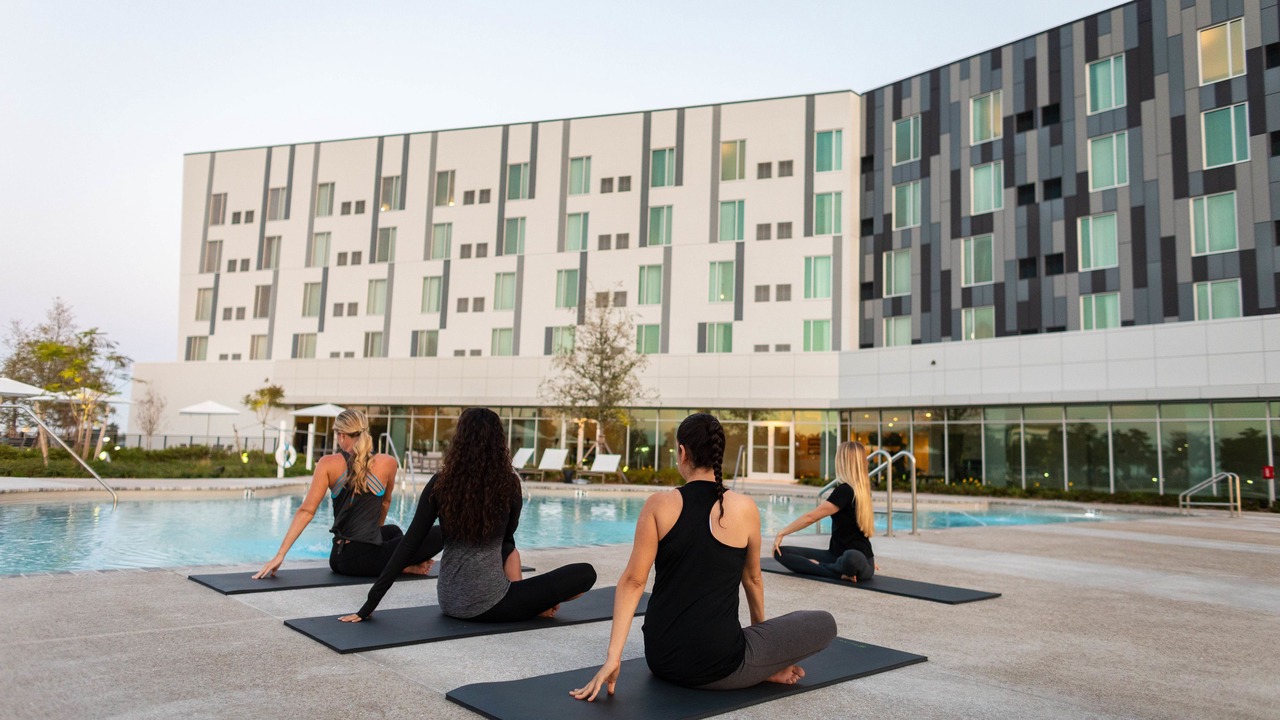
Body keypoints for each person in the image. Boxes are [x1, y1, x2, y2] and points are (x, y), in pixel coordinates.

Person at [571, 413, 836, 702]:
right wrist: (766, 650)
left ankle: (759, 666)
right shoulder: (745, 508)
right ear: (718, 454)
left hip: (661, 658)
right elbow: (753, 578)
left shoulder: (658, 505)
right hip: (718, 667)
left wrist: (613, 657)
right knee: (824, 623)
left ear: (683, 452)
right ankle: (759, 669)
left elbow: (633, 581)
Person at [341, 407, 596, 624]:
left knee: (518, 571)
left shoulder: (440, 483)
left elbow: (409, 544)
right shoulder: (508, 484)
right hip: (492, 603)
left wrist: (369, 605)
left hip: (450, 601)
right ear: (499, 441)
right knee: (585, 573)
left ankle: (527, 602)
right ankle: (532, 606)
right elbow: (508, 541)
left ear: (459, 440)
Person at [253, 408, 440, 579]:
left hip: (338, 559)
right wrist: (373, 537)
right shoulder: (388, 462)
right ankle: (401, 565)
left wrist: (280, 555)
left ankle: (397, 563)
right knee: (441, 532)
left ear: (341, 435)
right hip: (363, 562)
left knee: (393, 531)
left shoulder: (327, 463)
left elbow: (306, 511)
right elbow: (385, 504)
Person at [771, 441, 879, 583]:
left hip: (853, 559)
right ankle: (837, 570)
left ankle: (828, 568)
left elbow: (811, 517)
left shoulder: (845, 491)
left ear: (843, 462)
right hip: (834, 556)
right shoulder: (860, 491)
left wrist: (782, 532)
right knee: (781, 552)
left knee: (851, 557)